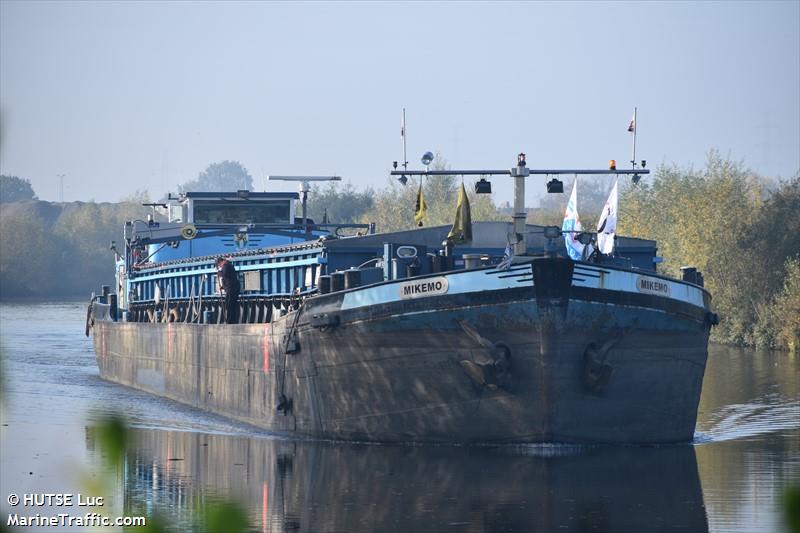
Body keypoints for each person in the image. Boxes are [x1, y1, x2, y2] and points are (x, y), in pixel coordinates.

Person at [216, 256, 240, 324]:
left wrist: (219, 272)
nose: (220, 266)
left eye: (219, 265)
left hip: (231, 289)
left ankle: (230, 321)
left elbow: (225, 274)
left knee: (229, 305)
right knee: (230, 304)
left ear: (221, 262)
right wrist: (223, 286)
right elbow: (228, 278)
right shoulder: (229, 265)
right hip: (232, 288)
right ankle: (232, 320)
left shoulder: (226, 265)